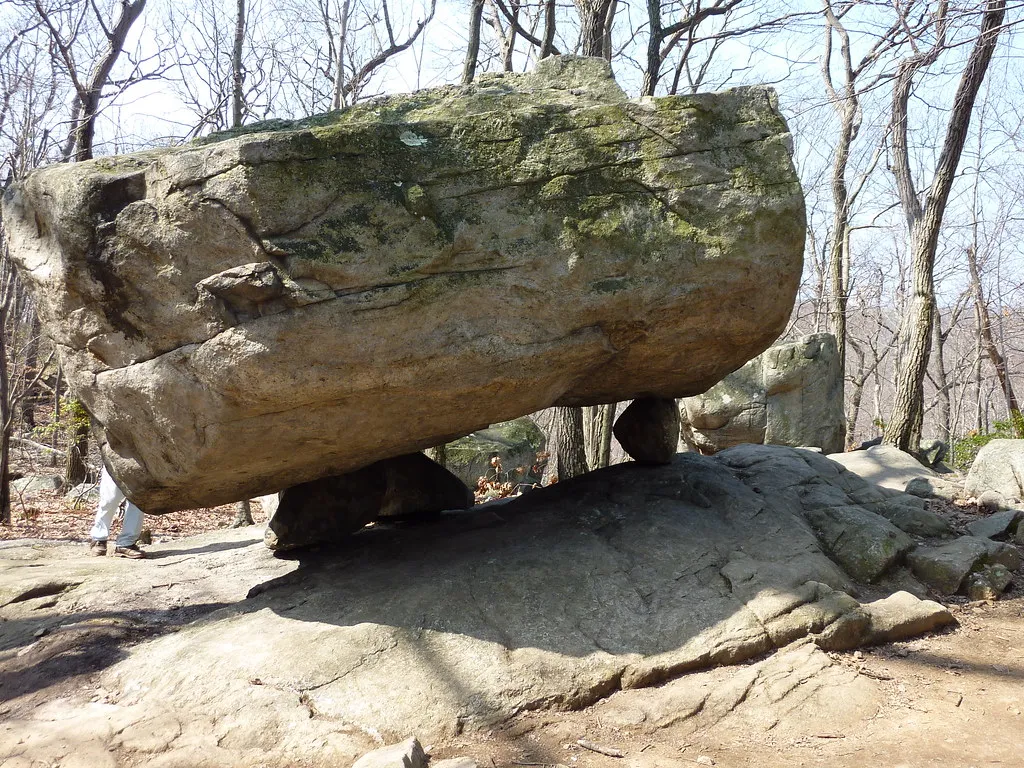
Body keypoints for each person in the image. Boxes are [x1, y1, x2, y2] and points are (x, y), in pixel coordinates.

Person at [89, 466, 146, 559]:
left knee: (137, 500)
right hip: (114, 457)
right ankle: (99, 539)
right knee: (109, 499)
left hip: (140, 461)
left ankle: (126, 544)